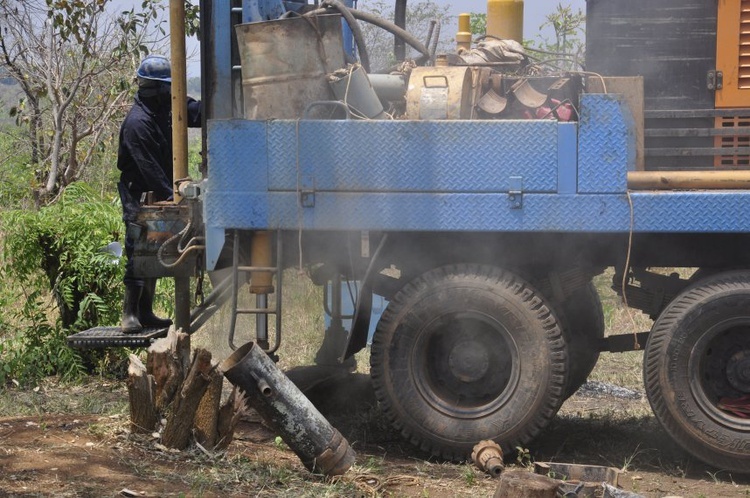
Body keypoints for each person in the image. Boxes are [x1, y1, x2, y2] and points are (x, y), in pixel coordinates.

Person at [117, 54, 201, 333]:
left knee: (154, 250)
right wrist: (178, 197)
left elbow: (192, 111)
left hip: (162, 190)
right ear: (153, 88)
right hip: (139, 193)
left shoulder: (166, 107)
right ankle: (129, 313)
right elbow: (149, 167)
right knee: (139, 249)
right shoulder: (138, 123)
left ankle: (146, 312)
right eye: (167, 88)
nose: (170, 93)